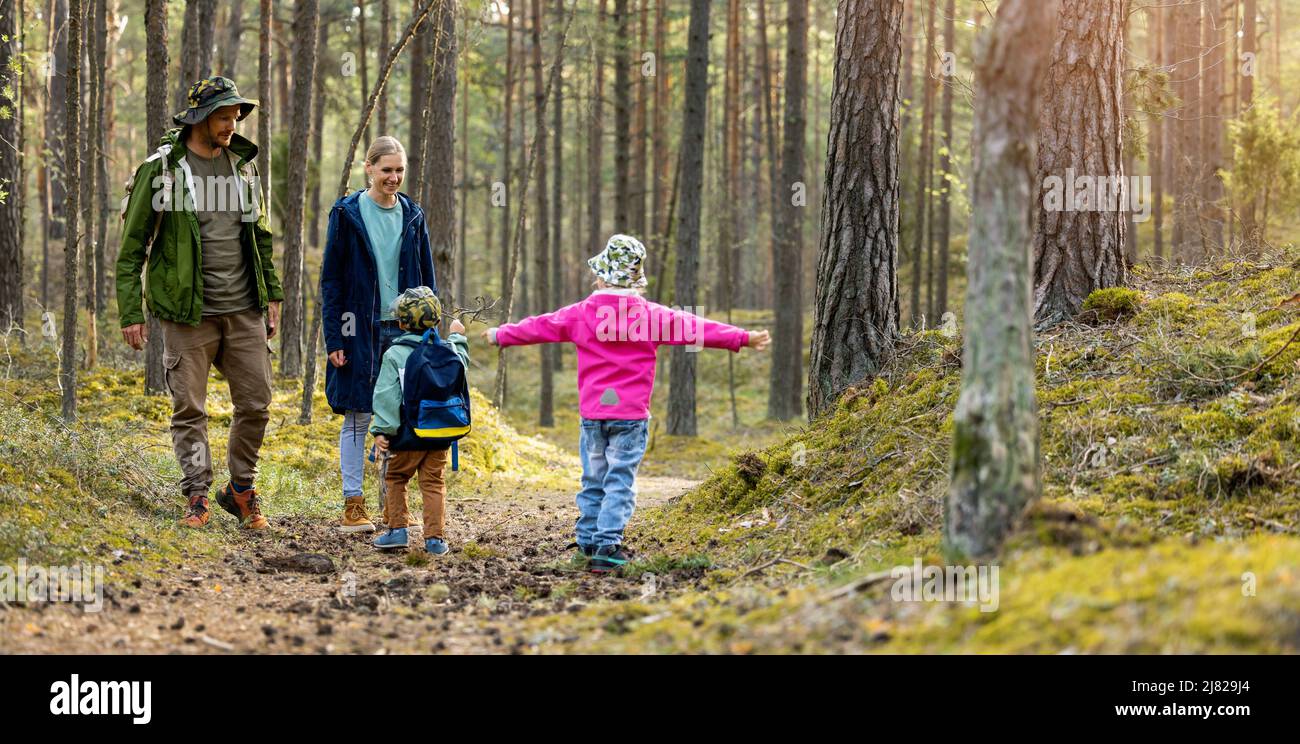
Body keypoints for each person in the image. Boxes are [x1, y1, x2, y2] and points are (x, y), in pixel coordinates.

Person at [482, 235, 771, 572]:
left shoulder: (581, 313)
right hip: (630, 417)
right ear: (637, 280)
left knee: (593, 479)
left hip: (593, 415)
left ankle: (587, 544)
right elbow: (695, 327)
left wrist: (500, 334)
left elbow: (541, 326)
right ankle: (607, 545)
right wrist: (742, 338)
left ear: (602, 277)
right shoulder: (652, 316)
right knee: (620, 480)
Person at [116, 76, 282, 530]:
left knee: (257, 404)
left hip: (245, 307)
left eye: (236, 116)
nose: (233, 124)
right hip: (186, 313)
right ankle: (197, 495)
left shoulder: (242, 167)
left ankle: (241, 489)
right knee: (189, 408)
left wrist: (272, 295)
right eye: (224, 116)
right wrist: (132, 312)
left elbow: (260, 236)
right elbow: (133, 247)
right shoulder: (164, 169)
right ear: (200, 119)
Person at [320, 136, 438, 533]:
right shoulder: (347, 213)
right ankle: (353, 504)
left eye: (399, 170)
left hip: (405, 331)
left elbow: (427, 281)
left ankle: (394, 508)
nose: (393, 177)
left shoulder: (413, 215)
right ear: (368, 168)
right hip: (359, 330)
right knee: (358, 413)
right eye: (386, 169)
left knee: (401, 415)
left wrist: (430, 331)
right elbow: (331, 281)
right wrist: (335, 338)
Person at [369, 288, 470, 555]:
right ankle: (435, 540)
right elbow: (463, 363)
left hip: (407, 436)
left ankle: (397, 530)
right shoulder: (447, 348)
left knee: (396, 477)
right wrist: (458, 335)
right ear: (437, 322)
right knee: (434, 483)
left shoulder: (395, 354)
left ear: (401, 323)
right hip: (440, 433)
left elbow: (386, 396)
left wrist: (382, 429)